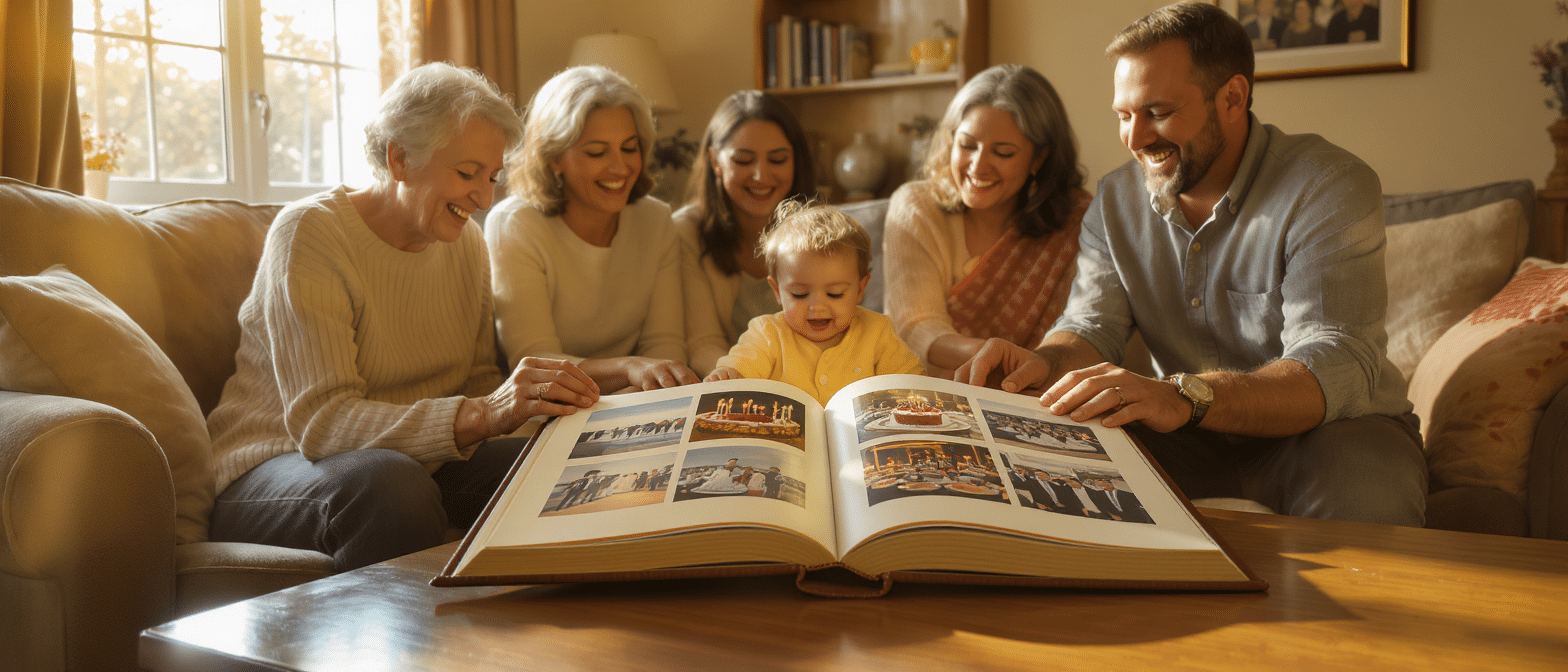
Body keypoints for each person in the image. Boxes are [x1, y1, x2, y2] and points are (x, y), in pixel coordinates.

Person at [957, 2, 1426, 527]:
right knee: (1042, 471)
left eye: (1157, 112)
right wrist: (1042, 363)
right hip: (1185, 439)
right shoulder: (1115, 201)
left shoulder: (1327, 185)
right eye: (1124, 115)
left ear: (1232, 97)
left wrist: (1185, 396)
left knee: (1364, 491)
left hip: (1330, 434)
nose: (1136, 139)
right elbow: (1092, 326)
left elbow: (1336, 357)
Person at [205, 63, 600, 572]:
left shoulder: (467, 245)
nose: (484, 198)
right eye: (466, 174)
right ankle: (409, 652)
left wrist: (555, 420)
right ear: (399, 158)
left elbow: (478, 381)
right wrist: (482, 413)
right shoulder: (311, 233)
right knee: (393, 486)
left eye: (492, 177)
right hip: (275, 467)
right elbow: (322, 424)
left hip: (409, 461)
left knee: (548, 466)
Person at [488, 65, 698, 393]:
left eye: (630, 148)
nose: (620, 167)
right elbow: (535, 361)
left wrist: (632, 397)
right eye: (597, 152)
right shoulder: (515, 225)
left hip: (635, 402)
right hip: (544, 411)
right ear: (553, 157)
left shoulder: (655, 221)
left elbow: (665, 345)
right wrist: (630, 370)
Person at [883, 64, 1090, 380]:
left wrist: (1011, 366)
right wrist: (991, 356)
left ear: (1039, 158)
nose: (978, 166)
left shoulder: (1076, 223)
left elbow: (1079, 335)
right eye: (967, 145)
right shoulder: (916, 207)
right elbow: (914, 326)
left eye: (1003, 153)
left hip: (1033, 396)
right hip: (925, 392)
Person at [706, 199, 924, 403]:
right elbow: (740, 369)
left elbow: (913, 384)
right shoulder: (767, 334)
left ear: (860, 288)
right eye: (799, 294)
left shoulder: (878, 332)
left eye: (835, 293)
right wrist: (728, 375)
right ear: (777, 291)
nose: (817, 307)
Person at [678, 90, 817, 377]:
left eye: (777, 159)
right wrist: (742, 379)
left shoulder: (821, 229)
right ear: (715, 161)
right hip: (732, 382)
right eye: (743, 160)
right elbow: (703, 344)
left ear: (795, 161)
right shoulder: (686, 231)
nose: (761, 176)